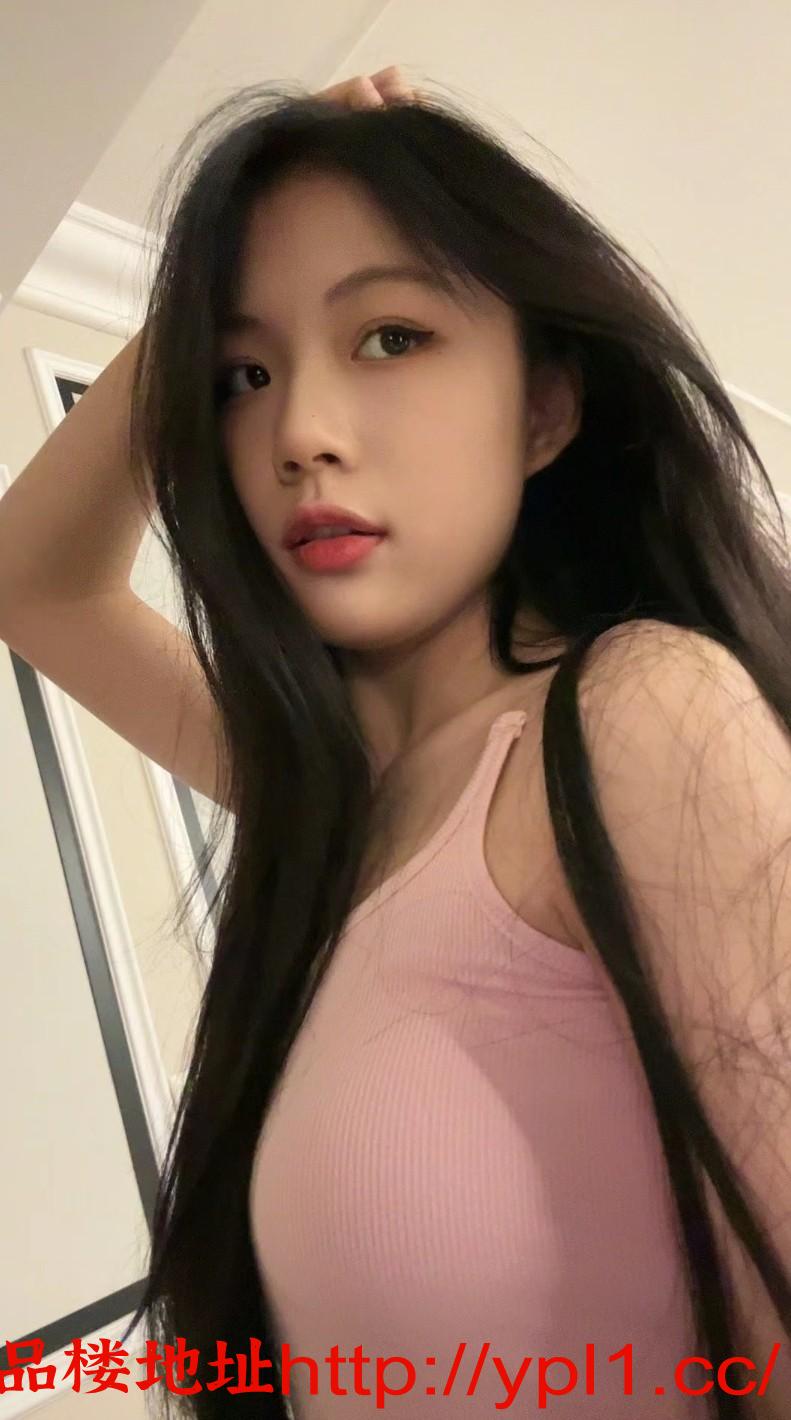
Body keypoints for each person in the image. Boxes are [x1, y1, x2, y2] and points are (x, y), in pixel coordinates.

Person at [1, 66, 790, 1420]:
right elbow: (34, 585)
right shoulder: (335, 795)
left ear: (544, 409)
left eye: (389, 338)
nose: (301, 435)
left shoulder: (635, 718)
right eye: (245, 376)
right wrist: (192, 300)